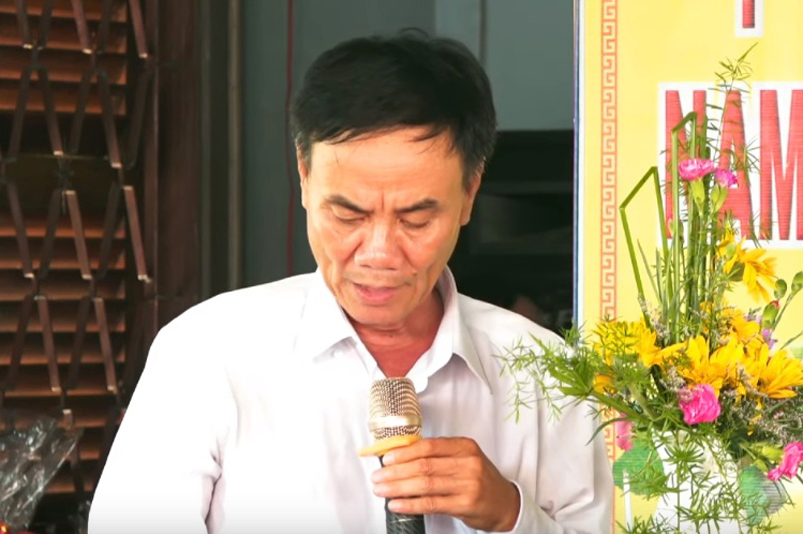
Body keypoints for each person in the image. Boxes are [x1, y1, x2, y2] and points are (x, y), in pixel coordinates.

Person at [88, 31, 613, 534]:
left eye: (415, 220)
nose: (379, 254)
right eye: (347, 215)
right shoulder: (207, 352)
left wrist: (511, 514)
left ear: (470, 194)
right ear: (304, 178)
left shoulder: (547, 373)